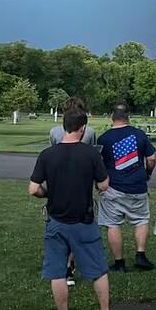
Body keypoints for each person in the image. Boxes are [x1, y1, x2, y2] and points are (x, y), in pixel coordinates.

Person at [29, 107, 120, 310]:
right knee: (98, 270)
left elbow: (33, 189)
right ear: (83, 128)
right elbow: (103, 185)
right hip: (84, 220)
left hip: (56, 220)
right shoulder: (90, 154)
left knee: (57, 272)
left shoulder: (47, 154)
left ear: (64, 127)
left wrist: (47, 193)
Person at [98, 103, 156, 272]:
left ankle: (119, 263)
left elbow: (98, 163)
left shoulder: (104, 138)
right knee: (141, 220)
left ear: (112, 117)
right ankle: (140, 255)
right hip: (138, 186)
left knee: (113, 224)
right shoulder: (139, 134)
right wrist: (147, 173)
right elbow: (152, 158)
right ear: (128, 117)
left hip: (113, 188)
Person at [48, 96, 99, 287]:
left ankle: (65, 265)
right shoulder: (90, 132)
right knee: (80, 223)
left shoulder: (54, 131)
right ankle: (71, 261)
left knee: (59, 223)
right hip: (82, 182)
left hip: (58, 183)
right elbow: (93, 154)